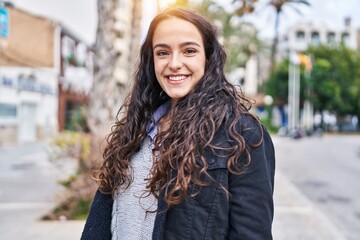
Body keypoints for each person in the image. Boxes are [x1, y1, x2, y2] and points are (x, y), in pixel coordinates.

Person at [81, 7, 275, 240]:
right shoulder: (136, 129)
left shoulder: (242, 134)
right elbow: (103, 220)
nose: (174, 63)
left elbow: (252, 234)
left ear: (208, 57)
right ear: (151, 60)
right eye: (162, 53)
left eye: (189, 51)